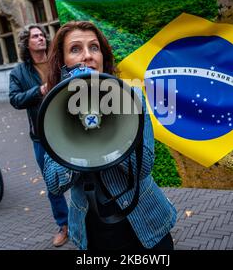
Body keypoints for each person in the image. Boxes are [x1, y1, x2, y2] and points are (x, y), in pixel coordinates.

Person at [42, 21, 177, 250]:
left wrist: (109, 119)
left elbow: (143, 167)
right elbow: (54, 182)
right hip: (93, 231)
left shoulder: (130, 96)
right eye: (75, 49)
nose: (87, 56)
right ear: (62, 63)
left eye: (94, 47)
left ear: (103, 57)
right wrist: (75, 124)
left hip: (145, 222)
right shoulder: (54, 109)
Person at [9, 24, 69, 247]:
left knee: (85, 177)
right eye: (35, 36)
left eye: (42, 35)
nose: (41, 38)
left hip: (69, 130)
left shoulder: (59, 61)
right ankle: (64, 225)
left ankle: (88, 219)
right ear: (27, 43)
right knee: (53, 183)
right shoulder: (19, 72)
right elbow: (15, 99)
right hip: (41, 136)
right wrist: (39, 90)